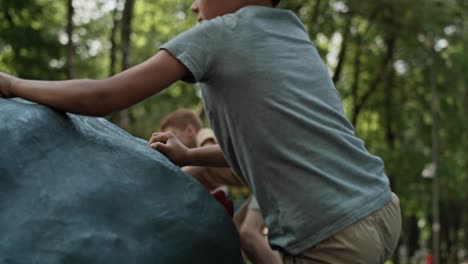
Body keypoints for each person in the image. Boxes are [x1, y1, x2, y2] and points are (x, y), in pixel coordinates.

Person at [0, 0, 402, 263]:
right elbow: (266, 145)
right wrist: (190, 156)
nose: (193, 5)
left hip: (330, 235)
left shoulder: (221, 34)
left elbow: (106, 95)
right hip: (380, 205)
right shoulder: (290, 31)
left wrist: (15, 86)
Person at [156, 108, 282, 264]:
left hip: (267, 176)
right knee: (234, 232)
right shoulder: (198, 170)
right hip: (258, 185)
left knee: (249, 232)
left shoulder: (203, 136)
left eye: (172, 136)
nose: (169, 145)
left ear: (190, 130)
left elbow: (200, 162)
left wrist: (172, 173)